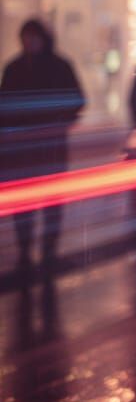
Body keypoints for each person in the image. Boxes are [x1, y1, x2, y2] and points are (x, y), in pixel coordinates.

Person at [0, 20, 85, 274]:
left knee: (49, 201)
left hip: (46, 146)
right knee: (26, 202)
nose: (29, 42)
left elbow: (77, 100)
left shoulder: (55, 66)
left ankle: (47, 251)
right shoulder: (15, 68)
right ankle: (27, 251)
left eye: (33, 37)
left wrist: (60, 123)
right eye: (26, 37)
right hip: (26, 148)